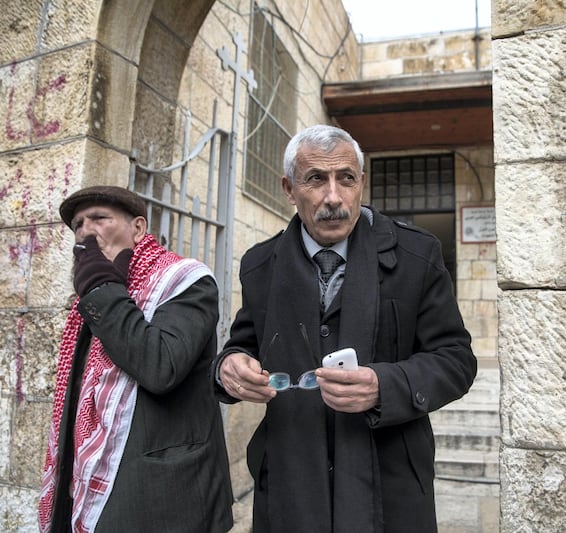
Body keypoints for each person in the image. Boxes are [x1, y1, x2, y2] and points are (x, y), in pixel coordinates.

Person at [213, 125, 476, 533]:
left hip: (390, 487)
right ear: (289, 188)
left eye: (346, 179)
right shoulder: (259, 266)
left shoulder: (417, 256)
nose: (333, 197)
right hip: (290, 483)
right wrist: (229, 365)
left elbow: (456, 360)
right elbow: (245, 343)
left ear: (361, 184)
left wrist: (384, 385)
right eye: (316, 179)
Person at [38, 186, 234, 532]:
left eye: (100, 218)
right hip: (91, 479)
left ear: (138, 228)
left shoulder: (185, 281)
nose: (86, 231)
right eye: (79, 224)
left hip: (161, 495)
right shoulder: (93, 297)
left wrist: (99, 286)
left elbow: (160, 366)